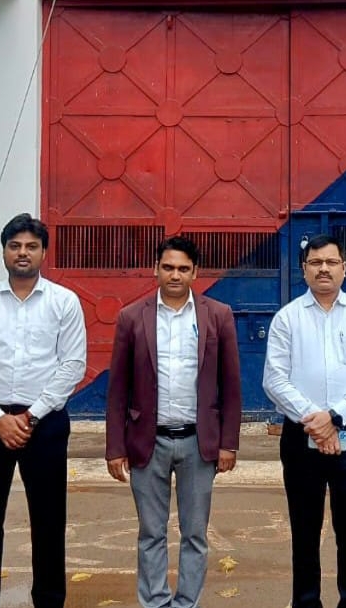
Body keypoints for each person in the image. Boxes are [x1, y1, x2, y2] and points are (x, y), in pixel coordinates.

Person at [0, 213, 86, 608]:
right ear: (4, 252)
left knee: (48, 521)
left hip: (44, 425)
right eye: (15, 246)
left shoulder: (64, 302)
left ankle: (48, 600)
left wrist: (30, 416)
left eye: (31, 246)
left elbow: (72, 365)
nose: (23, 253)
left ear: (44, 252)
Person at [106, 235, 242, 608]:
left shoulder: (218, 315)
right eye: (168, 267)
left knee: (195, 534)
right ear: (156, 269)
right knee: (151, 533)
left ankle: (186, 603)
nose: (175, 275)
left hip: (199, 443)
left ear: (195, 273)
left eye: (183, 268)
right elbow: (117, 390)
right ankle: (155, 602)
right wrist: (115, 448)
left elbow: (231, 385)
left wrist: (228, 443)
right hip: (147, 442)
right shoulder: (132, 317)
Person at [263, 234, 346, 608]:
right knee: (304, 529)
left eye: (331, 262)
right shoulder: (287, 318)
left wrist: (334, 417)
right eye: (316, 263)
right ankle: (306, 602)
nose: (324, 269)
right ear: (304, 270)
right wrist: (316, 422)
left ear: (344, 268)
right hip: (300, 437)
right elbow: (274, 379)